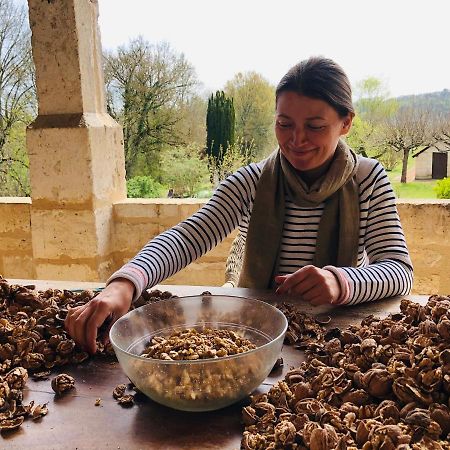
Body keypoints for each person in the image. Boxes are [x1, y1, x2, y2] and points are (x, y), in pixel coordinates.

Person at [65, 56, 413, 354]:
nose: (297, 140)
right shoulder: (252, 182)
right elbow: (187, 238)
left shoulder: (368, 179)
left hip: (340, 340)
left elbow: (399, 270)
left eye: (316, 126)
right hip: (256, 339)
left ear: (346, 123)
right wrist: (124, 284)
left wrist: (341, 282)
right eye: (284, 124)